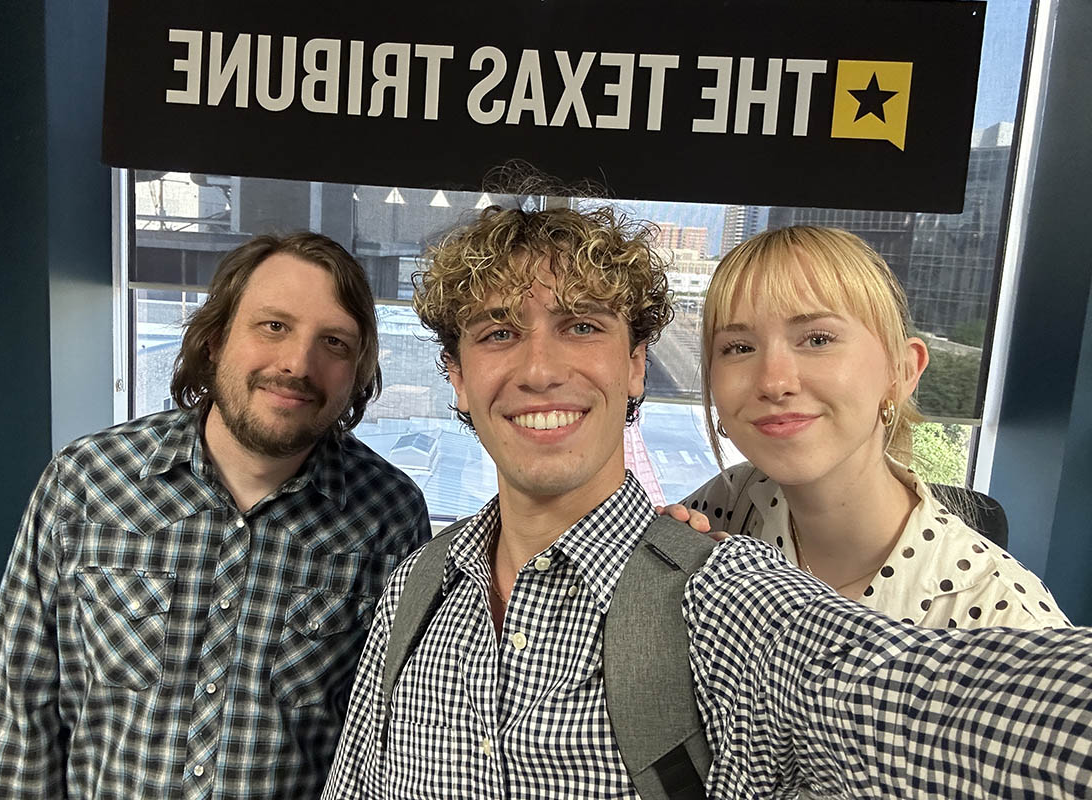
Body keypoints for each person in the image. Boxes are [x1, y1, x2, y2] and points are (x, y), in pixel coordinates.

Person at [322, 204, 1092, 800]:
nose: (540, 367)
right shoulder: (416, 591)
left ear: (635, 367)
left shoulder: (723, 596)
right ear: (456, 377)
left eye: (581, 326)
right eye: (497, 333)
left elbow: (927, 696)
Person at [0, 233, 431, 799]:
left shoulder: (389, 516)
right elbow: (15, 715)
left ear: (357, 371)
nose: (298, 364)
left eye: (334, 342)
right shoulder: (87, 481)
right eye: (273, 326)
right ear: (214, 341)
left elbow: (389, 743)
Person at [668, 225, 1067, 628]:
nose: (774, 382)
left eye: (818, 340)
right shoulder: (728, 506)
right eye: (739, 348)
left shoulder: (1005, 617)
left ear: (902, 371)